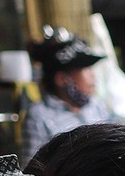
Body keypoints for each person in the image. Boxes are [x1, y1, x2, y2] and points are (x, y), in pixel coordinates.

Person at [22, 27, 113, 160]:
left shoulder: (95, 105)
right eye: (86, 71)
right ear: (62, 79)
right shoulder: (39, 117)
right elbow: (31, 169)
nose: (93, 77)